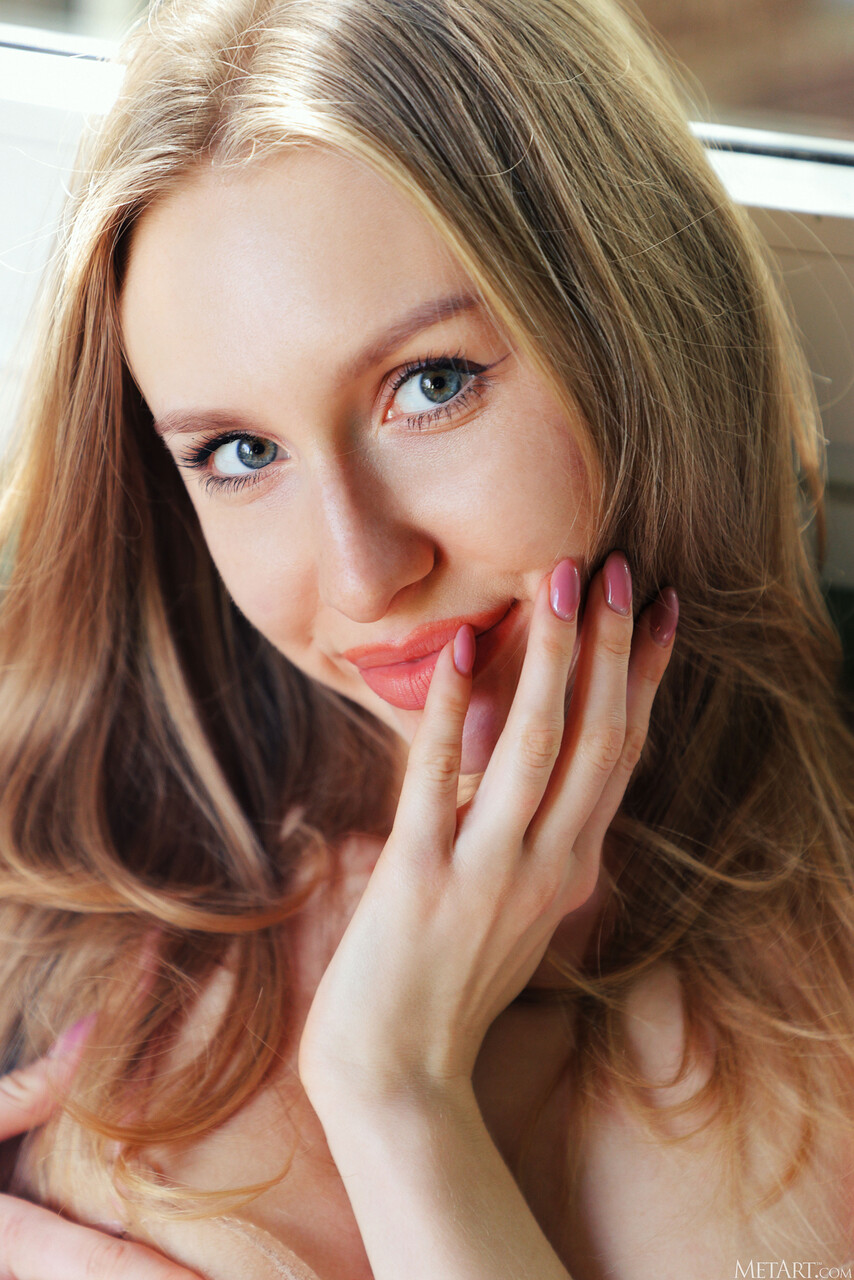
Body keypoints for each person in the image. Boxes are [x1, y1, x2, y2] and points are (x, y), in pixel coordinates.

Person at [0, 0, 852, 1275]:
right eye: (239, 453)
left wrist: (391, 1087)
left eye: (431, 384)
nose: (363, 574)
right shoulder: (57, 862)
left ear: (635, 336)